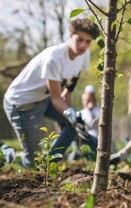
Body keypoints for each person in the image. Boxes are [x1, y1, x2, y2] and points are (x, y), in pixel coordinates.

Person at [3, 18, 100, 168]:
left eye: (88, 42)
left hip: (43, 99)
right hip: (22, 104)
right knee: (32, 163)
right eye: (79, 39)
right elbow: (57, 99)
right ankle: (5, 152)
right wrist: (72, 116)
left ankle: (48, 164)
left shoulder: (83, 55)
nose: (83, 45)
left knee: (74, 125)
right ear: (70, 34)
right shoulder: (54, 58)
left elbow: (67, 92)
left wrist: (73, 121)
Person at [68, 85, 101, 160]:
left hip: (95, 139)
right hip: (83, 139)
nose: (86, 102)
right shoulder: (81, 112)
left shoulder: (98, 111)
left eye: (88, 99)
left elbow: (95, 125)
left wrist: (91, 112)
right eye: (85, 100)